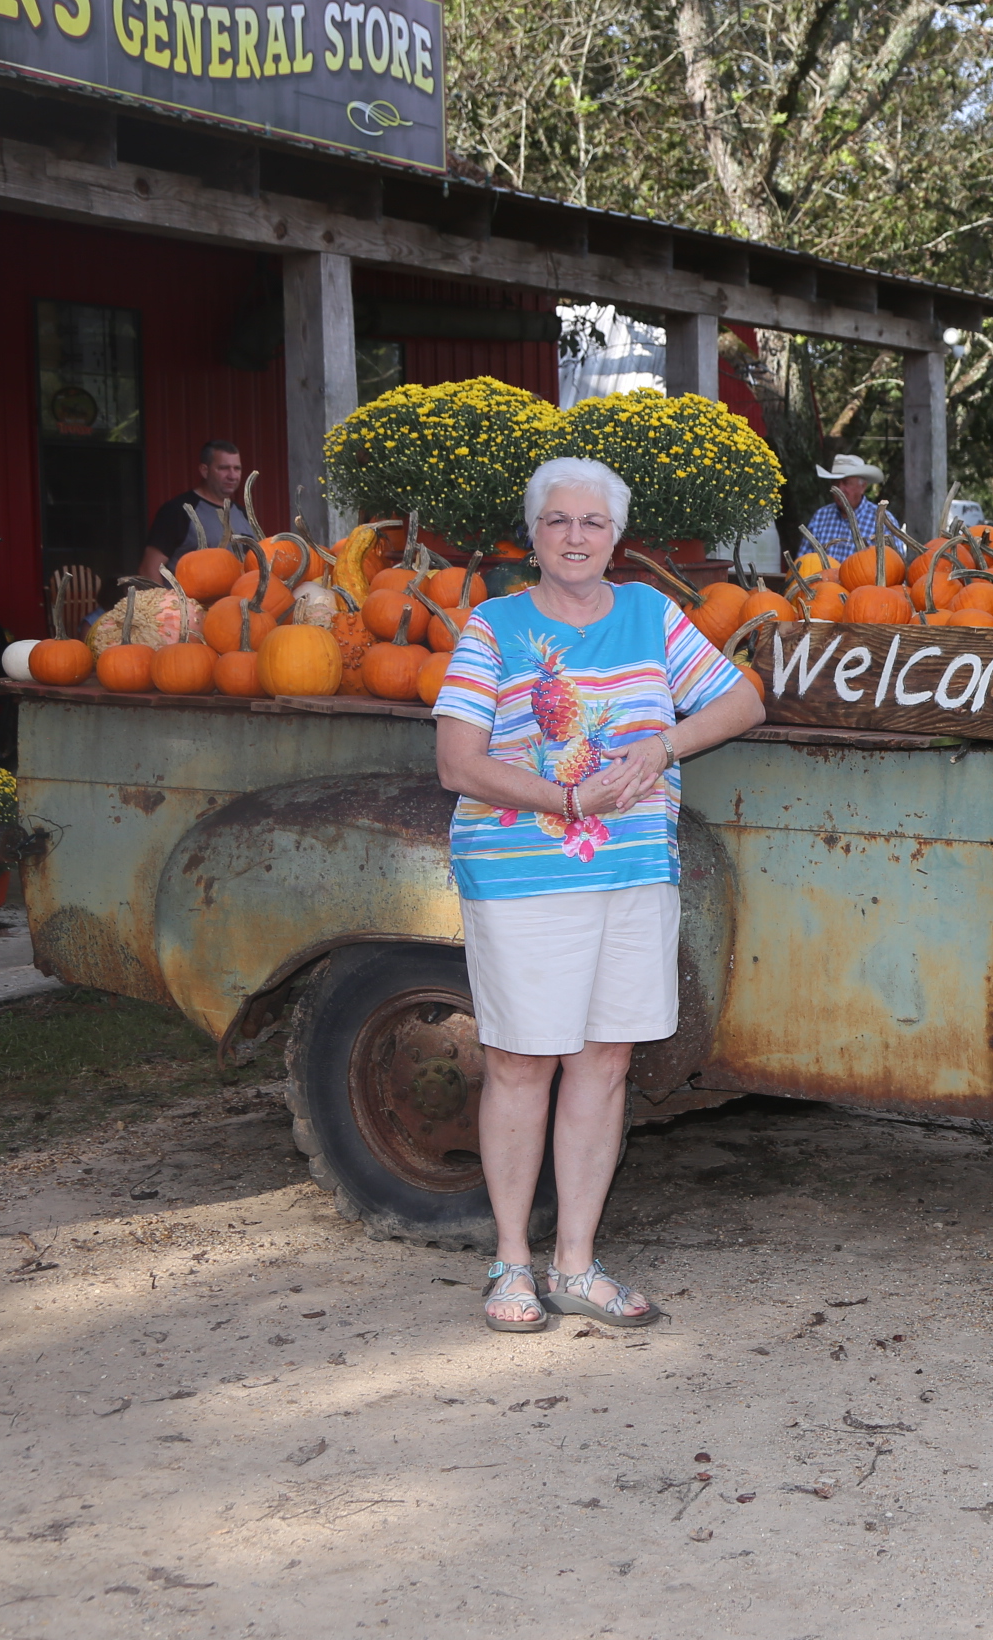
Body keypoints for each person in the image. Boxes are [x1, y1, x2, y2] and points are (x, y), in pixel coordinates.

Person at [432, 455, 767, 1333]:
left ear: (616, 539)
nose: (575, 537)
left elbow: (744, 703)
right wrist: (568, 798)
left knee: (605, 1061)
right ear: (534, 535)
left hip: (630, 871)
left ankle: (576, 1264)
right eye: (557, 521)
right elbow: (457, 762)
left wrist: (664, 749)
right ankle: (511, 1263)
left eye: (592, 523)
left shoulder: (652, 615)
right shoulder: (492, 627)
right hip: (524, 879)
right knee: (519, 1060)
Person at [139, 440, 249, 583]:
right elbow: (149, 569)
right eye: (224, 468)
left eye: (237, 468)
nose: (232, 475)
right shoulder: (178, 511)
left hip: (234, 604)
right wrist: (165, 605)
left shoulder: (242, 514)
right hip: (188, 604)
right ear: (204, 470)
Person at [803, 453, 888, 561]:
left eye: (846, 483)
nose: (840, 489)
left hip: (863, 577)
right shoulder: (821, 517)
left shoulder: (882, 520)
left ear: (863, 486)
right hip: (823, 577)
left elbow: (895, 567)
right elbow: (803, 563)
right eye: (836, 483)